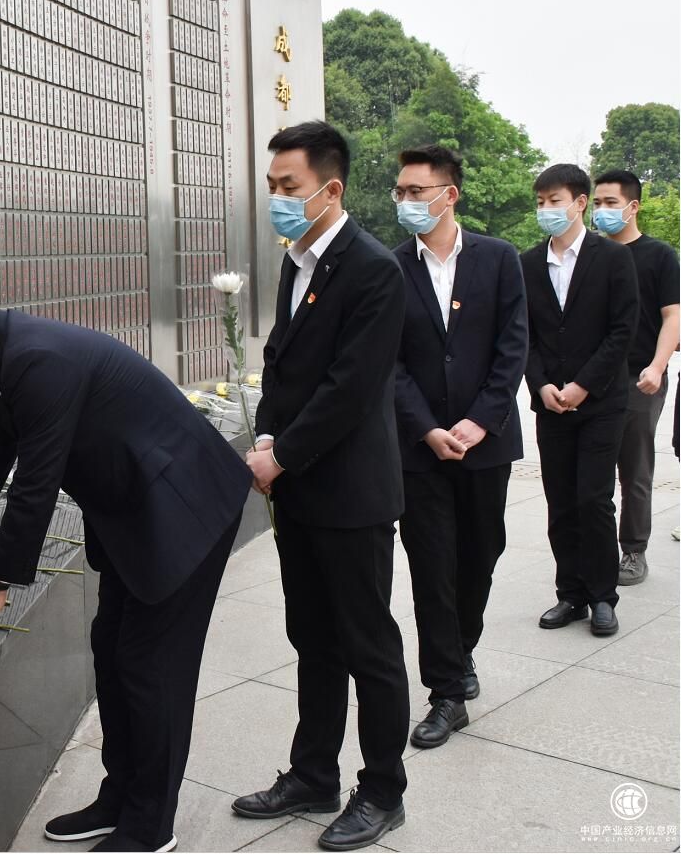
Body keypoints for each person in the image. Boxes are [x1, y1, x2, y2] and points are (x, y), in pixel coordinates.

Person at [0, 271, 251, 853]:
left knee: (152, 667)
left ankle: (150, 827)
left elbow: (36, 481)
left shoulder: (36, 360)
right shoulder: (8, 359)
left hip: (184, 508)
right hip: (137, 514)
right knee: (112, 650)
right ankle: (120, 796)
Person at [232, 122, 410, 851]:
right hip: (301, 489)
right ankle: (312, 775)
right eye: (271, 186)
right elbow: (283, 365)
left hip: (351, 495)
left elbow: (350, 389)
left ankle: (383, 790)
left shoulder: (372, 270)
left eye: (289, 187)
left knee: (368, 645)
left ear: (330, 189)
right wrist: (266, 436)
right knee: (311, 638)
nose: (276, 199)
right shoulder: (297, 260)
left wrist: (281, 456)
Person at [387, 145, 527, 749]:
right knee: (431, 565)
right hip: (419, 450)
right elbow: (389, 362)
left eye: (416, 191)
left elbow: (513, 347)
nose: (405, 201)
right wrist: (426, 427)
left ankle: (461, 648)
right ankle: (445, 690)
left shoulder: (498, 259)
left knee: (480, 553)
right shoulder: (391, 268)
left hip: (485, 445)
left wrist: (481, 421)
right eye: (400, 191)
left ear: (450, 195)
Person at [520, 164, 637, 635]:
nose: (546, 209)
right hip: (551, 402)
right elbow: (522, 334)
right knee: (561, 501)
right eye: (541, 202)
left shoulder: (613, 259)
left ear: (580, 203)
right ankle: (570, 594)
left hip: (602, 401)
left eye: (555, 201)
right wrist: (541, 385)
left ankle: (602, 595)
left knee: (593, 499)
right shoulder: (528, 263)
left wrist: (583, 385)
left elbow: (622, 331)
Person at [591, 169, 679, 585]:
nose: (602, 211)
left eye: (611, 203)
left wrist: (657, 367)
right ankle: (594, 550)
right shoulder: (590, 255)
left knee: (635, 470)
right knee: (592, 473)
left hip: (639, 378)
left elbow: (673, 316)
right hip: (592, 381)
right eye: (597, 203)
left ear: (633, 206)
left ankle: (633, 551)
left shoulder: (658, 255)